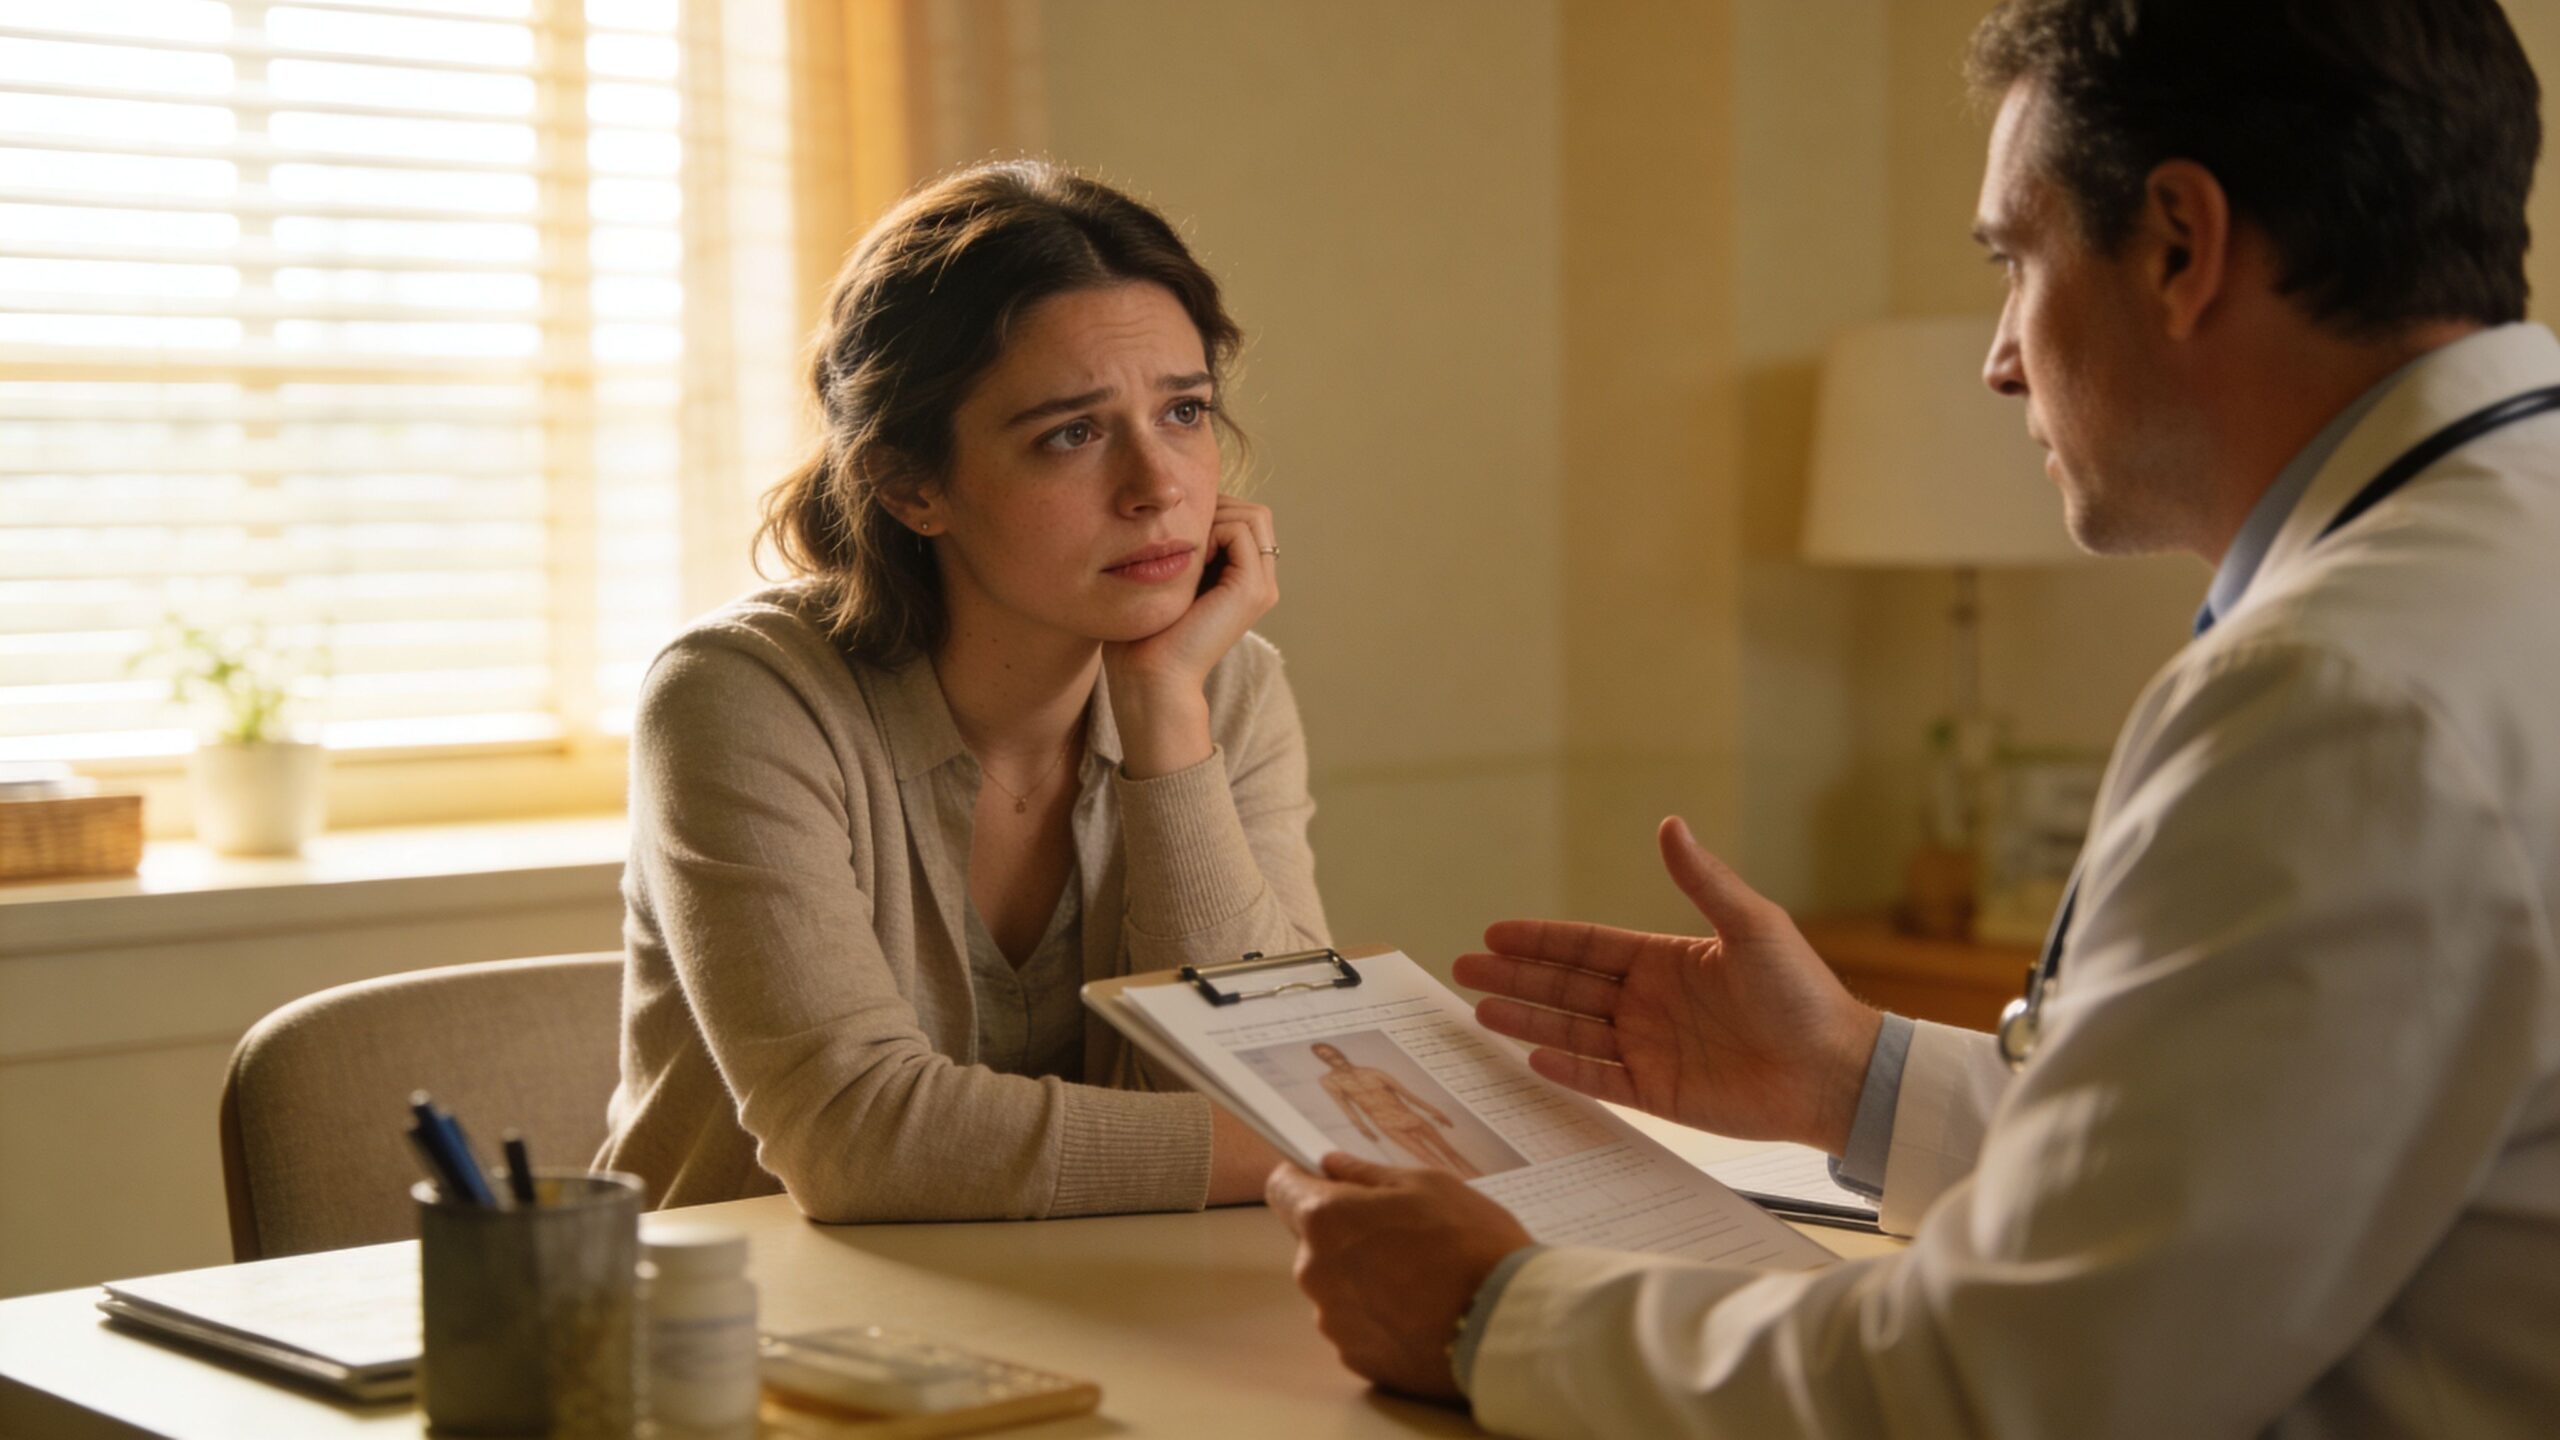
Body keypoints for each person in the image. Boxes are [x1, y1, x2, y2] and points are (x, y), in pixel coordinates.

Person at [1267, 1, 2560, 1434]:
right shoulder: (2487, 580)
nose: (2003, 356)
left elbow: (2036, 1385)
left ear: (2181, 246)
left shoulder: (2341, 695)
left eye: (2016, 259)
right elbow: (2257, 1170)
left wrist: (1492, 1313)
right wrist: (1850, 1079)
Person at [596, 160, 1326, 1221]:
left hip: (1119, 1309)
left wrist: (1166, 709)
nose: (1158, 485)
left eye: (1183, 412)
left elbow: (1269, 1062)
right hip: (751, 1344)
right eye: (1072, 433)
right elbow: (856, 1137)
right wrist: (1299, 1145)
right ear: (910, 484)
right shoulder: (738, 699)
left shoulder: (1227, 687)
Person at [1311, 1042, 1481, 1179]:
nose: (1331, 1056)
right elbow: (1345, 1106)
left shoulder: (1372, 1072)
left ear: (1339, 1051)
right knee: (1430, 1161)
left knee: (1450, 1153)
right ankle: (1463, 1194)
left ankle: (1480, 1182)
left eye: (1331, 1052)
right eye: (1324, 1055)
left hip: (1410, 1117)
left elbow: (1406, 1094)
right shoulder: (1329, 1081)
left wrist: (1434, 1111)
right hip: (1387, 1124)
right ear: (1322, 1060)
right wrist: (1362, 1127)